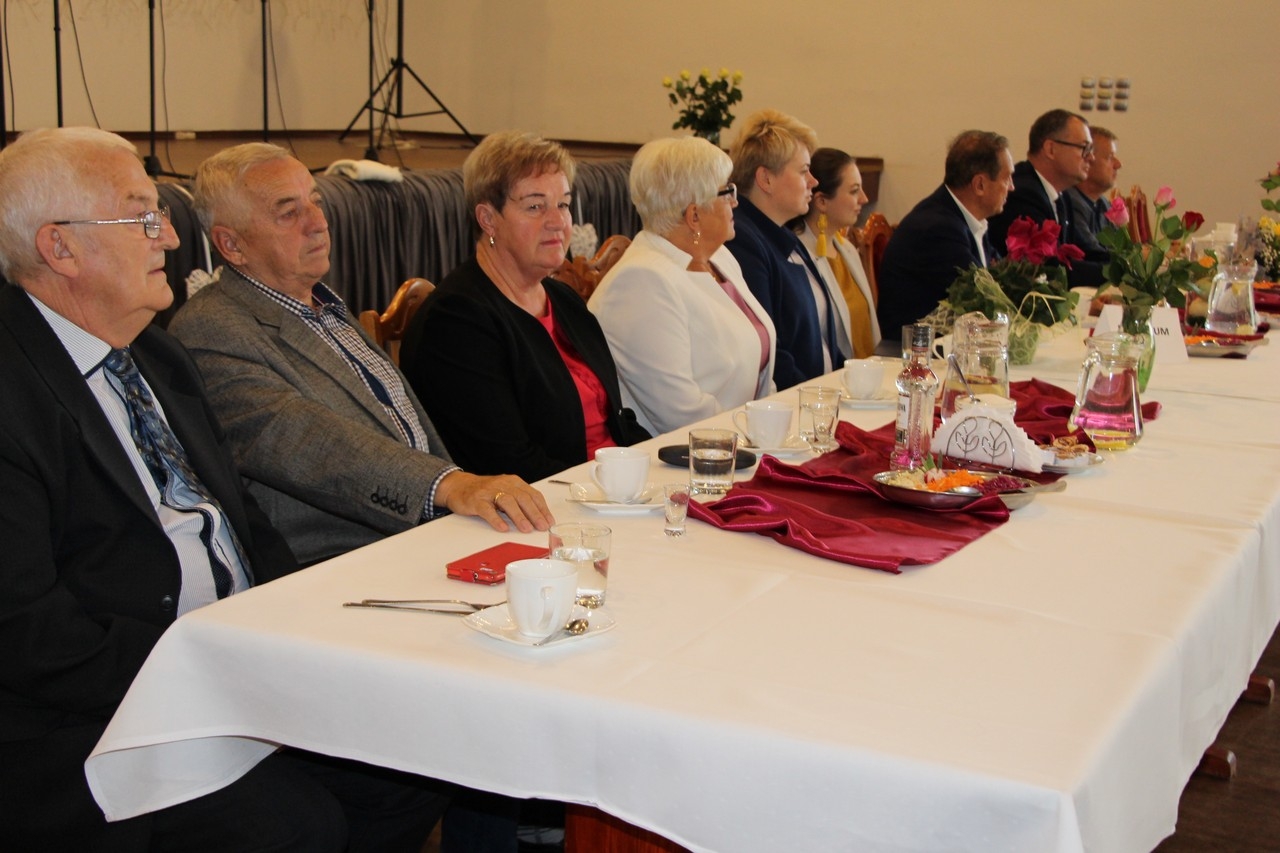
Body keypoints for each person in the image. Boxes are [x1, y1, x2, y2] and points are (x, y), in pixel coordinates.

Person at [0, 128, 449, 852]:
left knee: (423, 758)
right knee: (295, 824)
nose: (172, 237)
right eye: (142, 216)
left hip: (226, 662)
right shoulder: (13, 390)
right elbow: (29, 632)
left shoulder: (156, 353)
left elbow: (240, 521)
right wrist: (216, 672)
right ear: (60, 248)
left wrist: (291, 630)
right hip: (103, 712)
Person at [168, 143, 553, 570]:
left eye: (316, 201)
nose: (318, 223)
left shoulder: (322, 305)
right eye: (289, 212)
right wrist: (446, 485)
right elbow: (306, 441)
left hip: (425, 537)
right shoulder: (212, 329)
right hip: (335, 566)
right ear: (231, 245)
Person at [399, 130, 649, 482]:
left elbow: (617, 422)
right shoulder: (455, 322)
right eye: (535, 206)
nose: (557, 222)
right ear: (488, 219)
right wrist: (614, 491)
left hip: (609, 490)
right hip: (546, 503)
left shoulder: (563, 300)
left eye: (563, 204)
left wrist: (656, 469)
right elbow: (506, 463)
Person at [587, 136, 776, 435]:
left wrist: (772, 424)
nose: (735, 202)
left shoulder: (720, 258)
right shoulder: (641, 281)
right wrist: (755, 435)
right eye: (726, 192)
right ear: (694, 215)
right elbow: (680, 413)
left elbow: (759, 367)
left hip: (743, 437)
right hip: (684, 454)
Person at [724, 109, 851, 389]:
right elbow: (771, 352)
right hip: (795, 402)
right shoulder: (742, 240)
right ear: (766, 179)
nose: (813, 181)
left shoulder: (783, 233)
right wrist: (823, 399)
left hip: (821, 394)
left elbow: (824, 338)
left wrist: (852, 381)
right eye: (804, 171)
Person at [876, 130, 1015, 342]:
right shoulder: (938, 229)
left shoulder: (967, 220)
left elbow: (998, 280)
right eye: (1006, 178)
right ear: (980, 185)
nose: (1012, 187)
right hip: (913, 353)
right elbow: (984, 299)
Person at [987, 109, 1105, 286]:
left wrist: (1128, 265)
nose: (1091, 157)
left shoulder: (1062, 194)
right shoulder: (1022, 193)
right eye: (1084, 148)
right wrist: (1116, 273)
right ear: (1051, 149)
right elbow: (1049, 269)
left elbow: (1083, 250)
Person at [794, 147, 881, 358]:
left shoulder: (847, 249)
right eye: (854, 191)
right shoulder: (797, 256)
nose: (864, 198)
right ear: (822, 202)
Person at [1064, 126, 1122, 254]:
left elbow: (1121, 248)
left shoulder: (1103, 203)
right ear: (1087, 160)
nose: (1118, 165)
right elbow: (1092, 253)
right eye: (1110, 157)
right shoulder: (1070, 204)